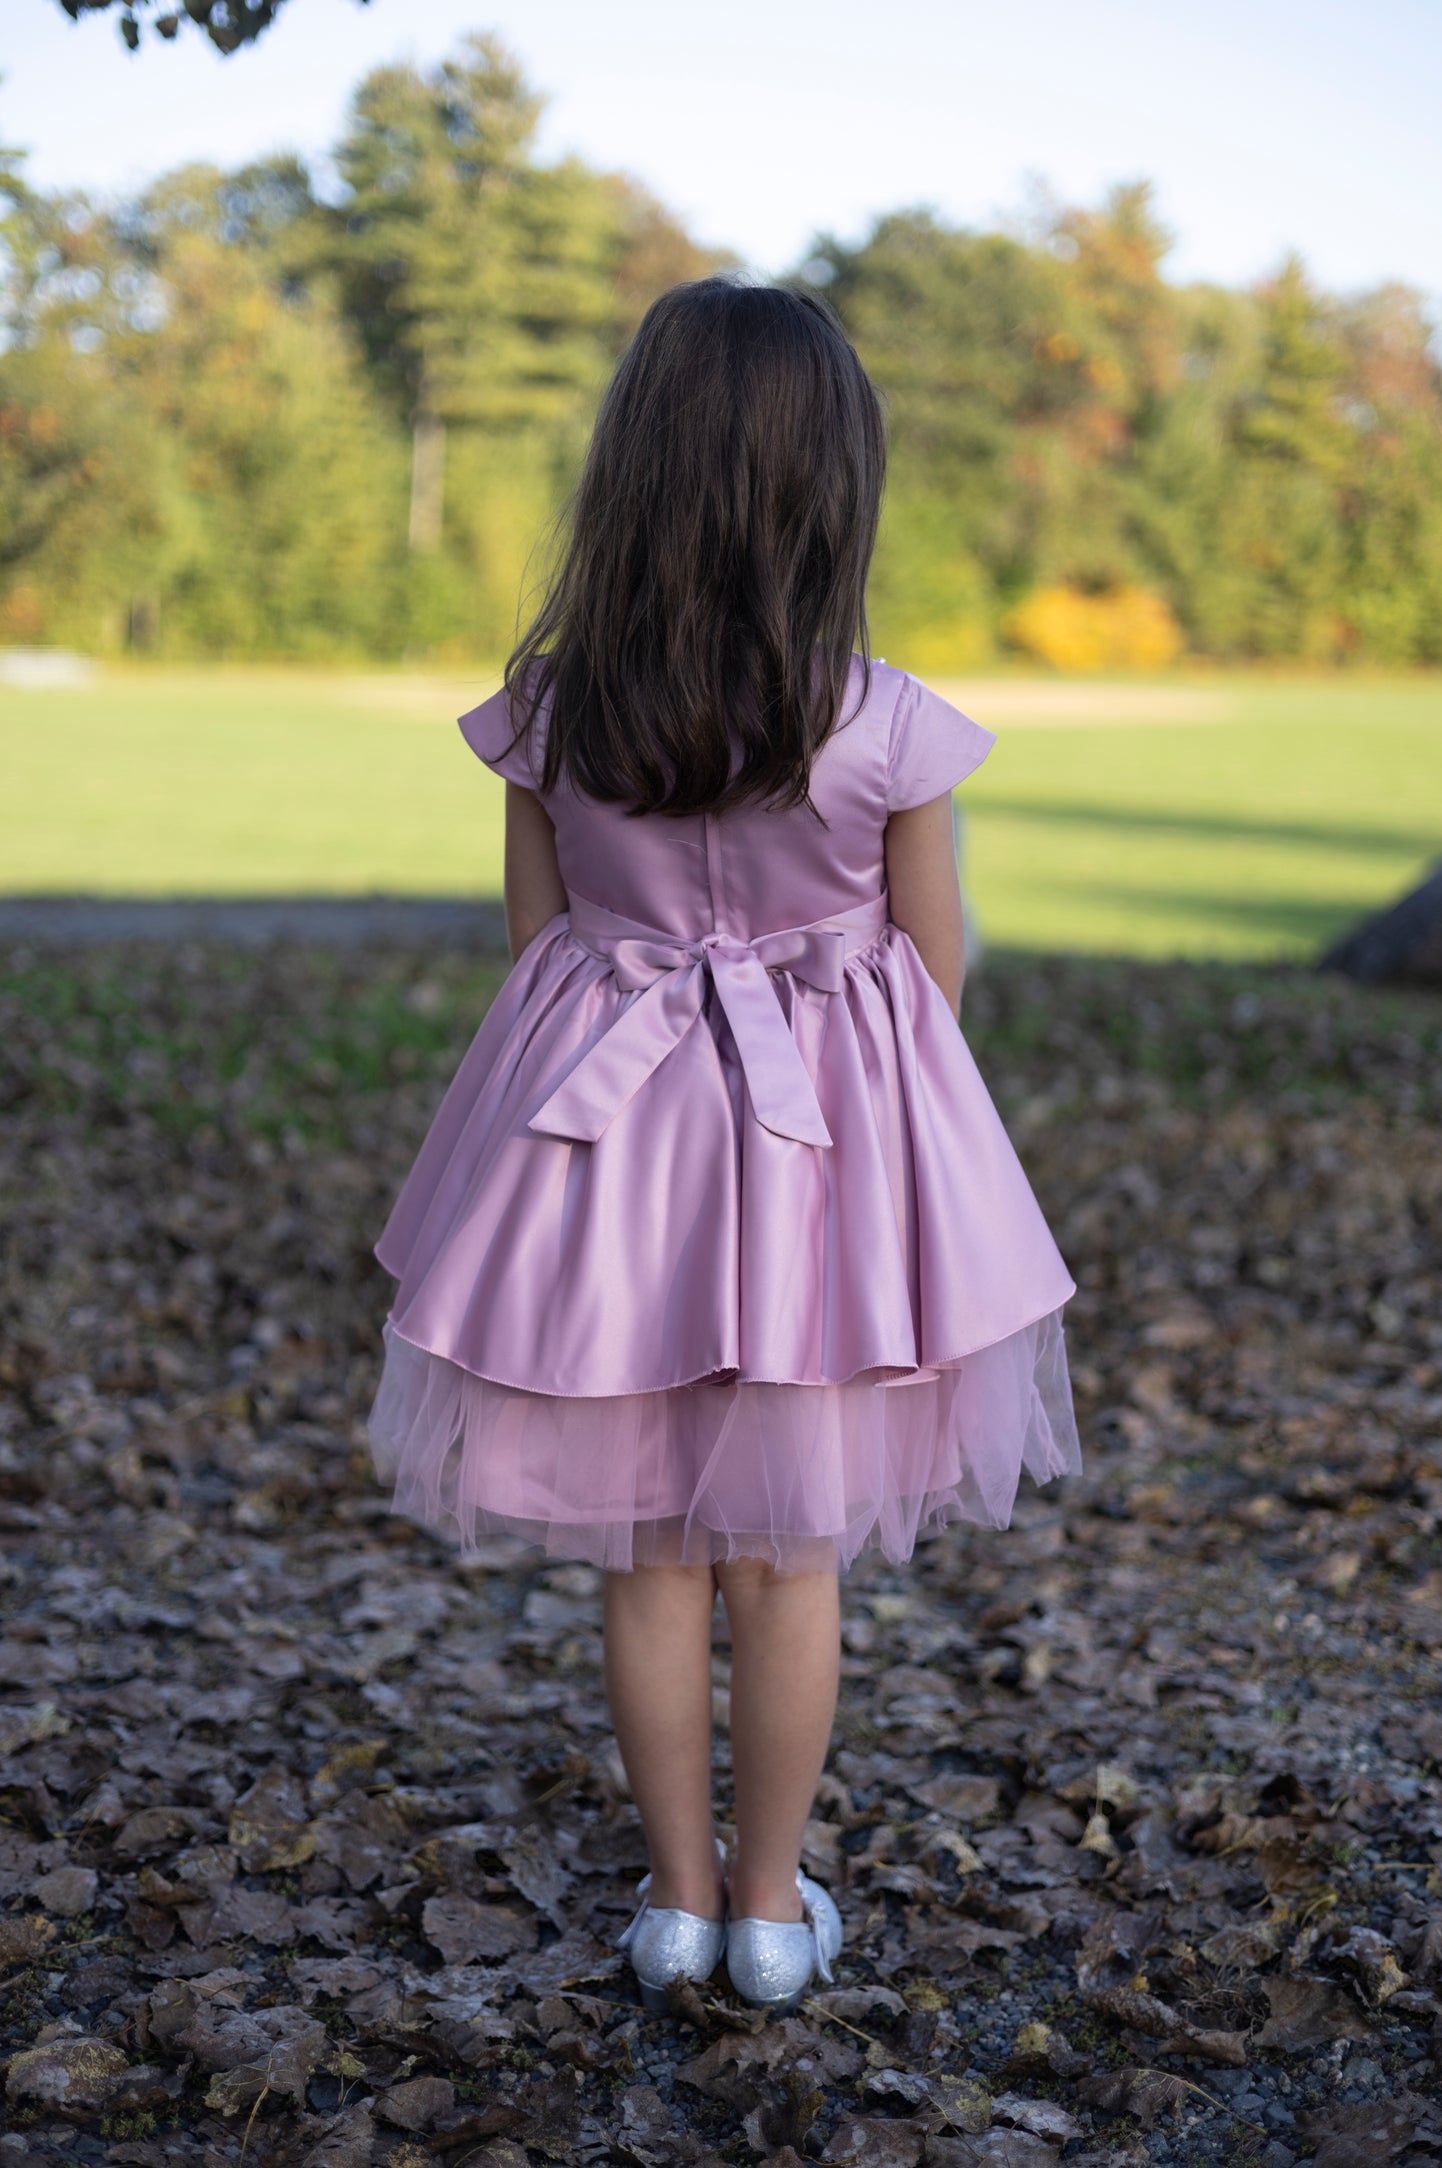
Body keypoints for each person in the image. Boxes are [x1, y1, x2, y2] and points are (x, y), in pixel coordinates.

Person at [367, 278, 1080, 2017]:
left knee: (650, 1552)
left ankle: (672, 1903)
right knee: (789, 1554)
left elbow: (539, 951)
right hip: (811, 1169)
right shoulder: (885, 719)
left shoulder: (555, 707)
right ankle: (770, 1911)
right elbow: (930, 969)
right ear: (831, 482)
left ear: (637, 470)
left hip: (609, 1171)